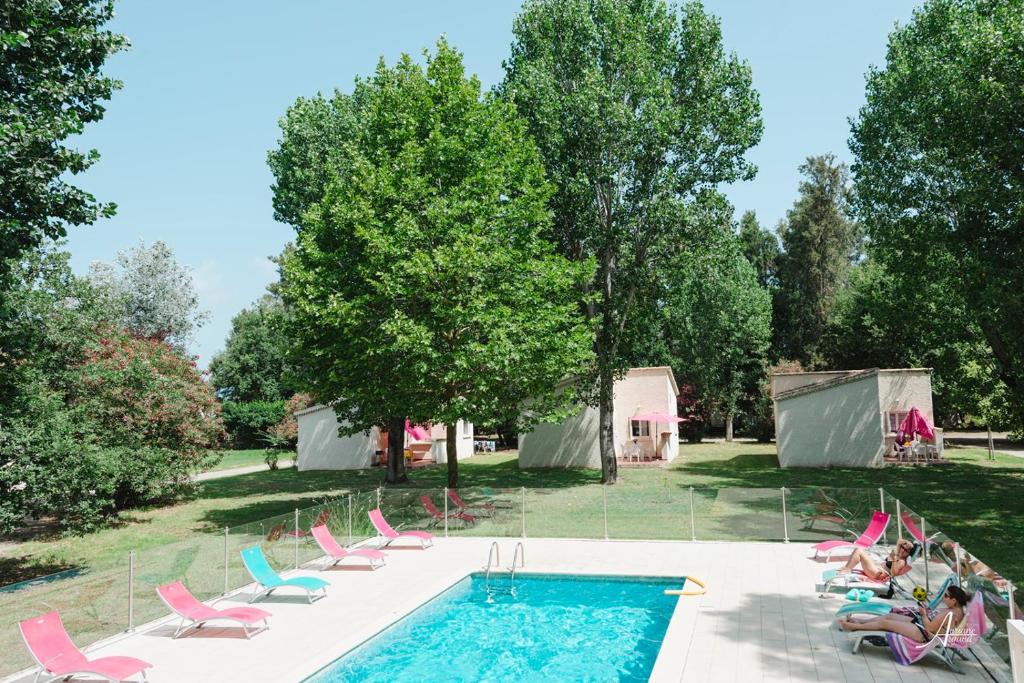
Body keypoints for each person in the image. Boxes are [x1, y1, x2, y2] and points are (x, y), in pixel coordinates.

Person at [838, 585, 969, 642]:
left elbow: (930, 628)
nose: (943, 598)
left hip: (923, 634)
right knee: (889, 616)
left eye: (946, 596)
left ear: (954, 600)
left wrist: (923, 614)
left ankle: (855, 627)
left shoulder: (951, 614)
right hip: (921, 626)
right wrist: (925, 613)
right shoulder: (958, 610)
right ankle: (860, 621)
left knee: (885, 623)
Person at [835, 538, 916, 582]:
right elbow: (899, 540)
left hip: (877, 574)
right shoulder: (899, 553)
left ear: (908, 554)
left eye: (906, 550)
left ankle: (847, 569)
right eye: (903, 547)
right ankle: (847, 568)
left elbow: (894, 573)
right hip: (877, 569)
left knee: (859, 551)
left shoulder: (901, 561)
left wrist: (895, 558)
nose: (903, 550)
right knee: (861, 552)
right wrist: (906, 543)